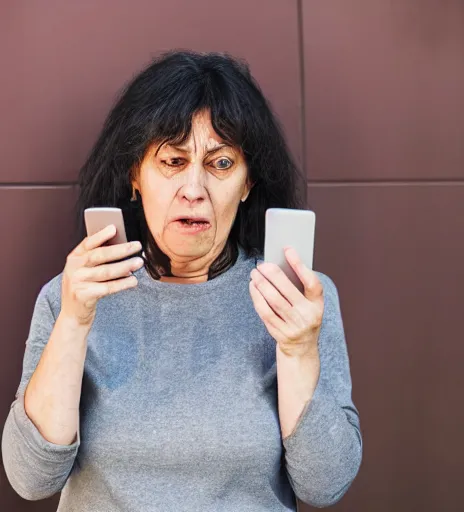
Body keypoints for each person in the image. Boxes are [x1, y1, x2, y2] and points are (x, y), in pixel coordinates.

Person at [1, 50, 362, 511]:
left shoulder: (297, 301)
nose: (194, 188)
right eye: (172, 161)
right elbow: (32, 479)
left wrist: (298, 350)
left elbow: (324, 484)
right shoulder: (71, 296)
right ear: (135, 175)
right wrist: (74, 322)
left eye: (221, 164)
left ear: (249, 182)